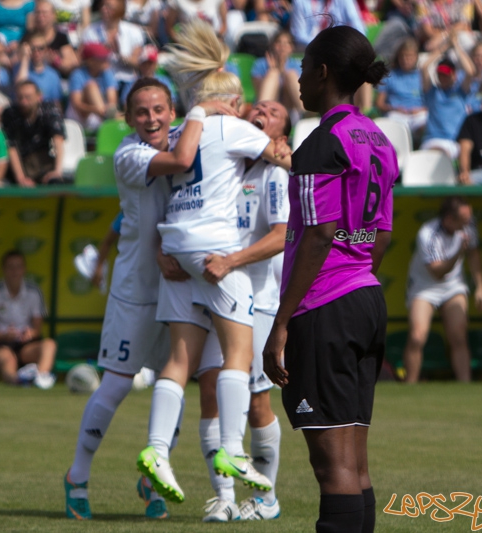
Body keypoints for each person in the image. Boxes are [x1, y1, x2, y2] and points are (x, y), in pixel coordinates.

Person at [63, 77, 238, 520]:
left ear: (171, 111)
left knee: (171, 383)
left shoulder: (185, 132)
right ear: (128, 119)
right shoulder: (129, 155)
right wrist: (209, 106)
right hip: (136, 291)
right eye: (141, 112)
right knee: (117, 384)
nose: (151, 118)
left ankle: (152, 476)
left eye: (159, 109)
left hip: (179, 284)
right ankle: (77, 476)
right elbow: (182, 160)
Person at [136, 19, 290, 509]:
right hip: (214, 254)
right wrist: (290, 152)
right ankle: (232, 453)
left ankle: (158, 451)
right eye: (249, 103)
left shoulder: (183, 130)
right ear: (232, 101)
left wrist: (163, 248)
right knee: (237, 361)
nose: (254, 111)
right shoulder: (232, 128)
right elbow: (284, 158)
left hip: (179, 248)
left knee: (179, 362)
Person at [260, 25, 396, 533]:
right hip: (366, 298)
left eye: (301, 70)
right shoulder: (378, 139)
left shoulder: (321, 144)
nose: (296, 81)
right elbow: (379, 235)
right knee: (354, 463)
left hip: (326, 307)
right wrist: (355, 275)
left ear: (322, 73)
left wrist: (282, 322)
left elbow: (319, 236)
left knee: (332, 466)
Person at [197, 100, 291, 522]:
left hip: (257, 297)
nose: (261, 112)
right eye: (257, 107)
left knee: (256, 401)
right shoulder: (225, 164)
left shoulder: (273, 173)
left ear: (280, 134)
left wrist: (231, 261)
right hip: (215, 289)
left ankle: (266, 498)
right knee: (210, 392)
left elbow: (281, 236)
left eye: (272, 112)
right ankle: (225, 496)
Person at [403, 196, 482, 383]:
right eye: (464, 219)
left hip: (453, 286)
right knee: (417, 336)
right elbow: (437, 272)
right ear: (449, 219)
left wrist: (481, 287)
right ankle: (410, 385)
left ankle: (465, 385)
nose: (468, 222)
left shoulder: (469, 225)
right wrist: (458, 252)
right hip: (425, 286)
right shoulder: (427, 233)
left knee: (458, 335)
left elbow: (474, 254)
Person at [0, 250, 57, 389]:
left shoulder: (34, 291)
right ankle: (16, 382)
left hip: (25, 345)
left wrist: (29, 333)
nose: (15, 271)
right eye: (10, 267)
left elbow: (37, 330)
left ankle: (41, 378)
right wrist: (4, 335)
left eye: (18, 267)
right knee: (8, 358)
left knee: (49, 344)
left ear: (24, 269)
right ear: (3, 270)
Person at [1, 80, 66, 185]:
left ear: (38, 96)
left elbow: (58, 139)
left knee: (56, 183)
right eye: (20, 97)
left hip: (44, 163)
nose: (24, 102)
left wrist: (57, 171)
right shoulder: (10, 114)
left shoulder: (49, 110)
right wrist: (21, 178)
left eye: (28, 97)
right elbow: (11, 147)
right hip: (20, 165)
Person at [81, 0, 146, 104]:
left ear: (119, 9)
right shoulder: (90, 31)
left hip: (128, 78)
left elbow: (137, 63)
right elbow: (86, 61)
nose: (103, 9)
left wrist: (119, 54)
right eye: (102, 5)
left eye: (109, 7)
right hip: (101, 81)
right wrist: (102, 52)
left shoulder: (134, 31)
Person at [418, 40, 474, 161]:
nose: (443, 78)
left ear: (454, 75)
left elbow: (470, 71)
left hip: (453, 142)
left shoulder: (461, 92)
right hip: (431, 140)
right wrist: (443, 48)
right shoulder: (432, 92)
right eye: (440, 74)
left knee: (442, 156)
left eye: (446, 75)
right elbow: (423, 67)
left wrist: (456, 46)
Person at [375, 37, 426, 139]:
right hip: (397, 115)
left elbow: (431, 103)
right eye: (403, 57)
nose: (406, 60)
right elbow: (379, 104)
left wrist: (420, 110)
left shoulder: (422, 76)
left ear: (416, 57)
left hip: (418, 115)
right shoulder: (390, 76)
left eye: (410, 57)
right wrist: (395, 108)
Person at [252, 31, 304, 125]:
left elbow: (301, 89)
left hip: (291, 109)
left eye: (286, 43)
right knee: (273, 74)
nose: (282, 47)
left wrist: (283, 71)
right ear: (273, 45)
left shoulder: (297, 65)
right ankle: (261, 117)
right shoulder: (260, 64)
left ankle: (305, 115)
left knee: (291, 75)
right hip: (269, 105)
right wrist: (273, 70)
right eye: (278, 42)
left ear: (292, 48)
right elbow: (257, 89)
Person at [66, 43, 119, 131]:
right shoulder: (77, 74)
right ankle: (108, 118)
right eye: (101, 58)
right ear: (90, 61)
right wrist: (96, 110)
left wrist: (106, 109)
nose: (106, 60)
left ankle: (109, 118)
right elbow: (77, 104)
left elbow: (112, 100)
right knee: (91, 85)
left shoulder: (107, 73)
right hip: (79, 117)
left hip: (100, 115)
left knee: (112, 110)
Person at [28, 0, 78, 75]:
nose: (40, 16)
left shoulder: (61, 38)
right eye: (38, 12)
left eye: (44, 13)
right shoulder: (28, 36)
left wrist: (56, 61)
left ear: (53, 15)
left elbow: (72, 63)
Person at [290, 0, 365, 51]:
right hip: (313, 49)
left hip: (340, 49)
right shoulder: (300, 2)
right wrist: (325, 44)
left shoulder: (345, 1)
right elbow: (298, 35)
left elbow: (359, 29)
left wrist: (341, 44)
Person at [14, 31, 64, 106]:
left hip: (45, 113)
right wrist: (25, 58)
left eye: (41, 48)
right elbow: (19, 88)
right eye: (33, 48)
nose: (37, 52)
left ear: (46, 49)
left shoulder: (53, 75)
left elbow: (57, 104)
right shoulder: (20, 68)